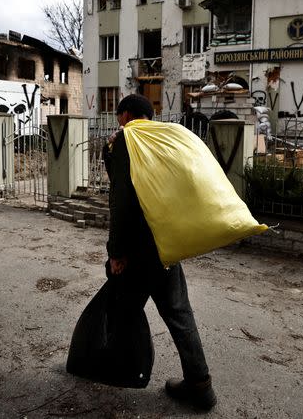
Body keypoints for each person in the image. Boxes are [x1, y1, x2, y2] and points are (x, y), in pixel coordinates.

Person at [102, 94, 217, 411]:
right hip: (165, 242)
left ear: (126, 116)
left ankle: (118, 369)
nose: (118, 123)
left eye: (118, 116)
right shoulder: (163, 140)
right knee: (180, 314)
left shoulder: (129, 139)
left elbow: (122, 197)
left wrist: (116, 251)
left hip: (137, 248)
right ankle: (201, 384)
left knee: (122, 309)